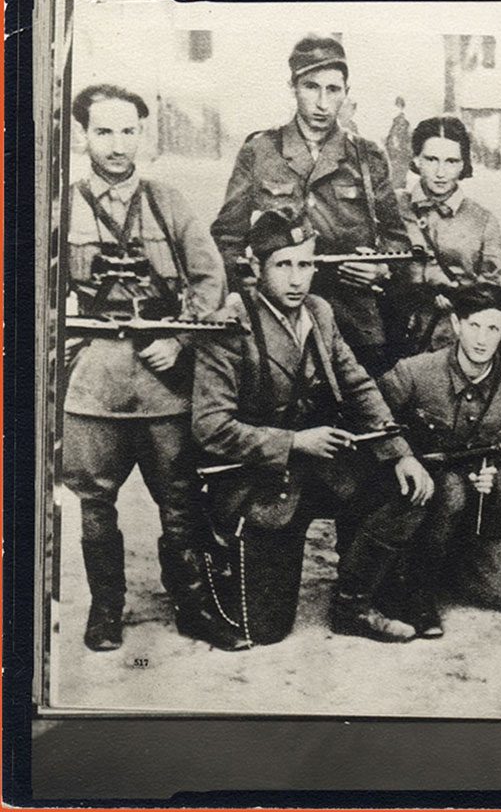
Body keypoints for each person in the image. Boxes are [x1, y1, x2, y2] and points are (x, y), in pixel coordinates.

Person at [192, 209, 435, 646]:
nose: (297, 279)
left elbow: (358, 385)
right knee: (266, 631)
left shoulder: (319, 312)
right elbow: (210, 426)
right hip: (259, 482)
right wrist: (294, 442)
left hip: (317, 468)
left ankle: (353, 603)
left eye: (306, 265)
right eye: (283, 265)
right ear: (253, 266)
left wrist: (401, 453)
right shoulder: (228, 324)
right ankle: (217, 562)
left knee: (404, 489)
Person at [62, 84, 242, 651]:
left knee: (180, 497)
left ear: (143, 134)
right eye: (104, 131)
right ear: (84, 134)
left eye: (128, 130)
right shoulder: (59, 206)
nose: (117, 144)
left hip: (165, 380)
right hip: (94, 383)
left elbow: (210, 277)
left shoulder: (169, 201)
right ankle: (105, 609)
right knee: (95, 502)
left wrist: (182, 338)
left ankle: (193, 607)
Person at [210, 35, 410, 377]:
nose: (322, 102)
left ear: (346, 92)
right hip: (277, 322)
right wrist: (248, 295)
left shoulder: (367, 156)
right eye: (311, 87)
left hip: (353, 322)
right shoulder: (260, 151)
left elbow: (398, 240)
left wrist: (381, 269)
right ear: (293, 87)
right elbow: (227, 238)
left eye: (333, 90)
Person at [378, 283, 501, 637]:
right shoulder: (415, 372)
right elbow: (373, 420)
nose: (482, 338)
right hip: (418, 499)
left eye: (493, 328)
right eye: (474, 325)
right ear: (456, 324)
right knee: (449, 488)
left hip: (482, 506)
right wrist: (403, 458)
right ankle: (418, 589)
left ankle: (447, 565)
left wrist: (497, 485)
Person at [396, 116, 501, 353]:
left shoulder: (483, 220)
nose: (440, 172)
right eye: (431, 159)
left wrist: (459, 298)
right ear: (416, 160)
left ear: (463, 164)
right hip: (398, 339)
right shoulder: (395, 208)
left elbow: (494, 289)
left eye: (451, 161)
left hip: (457, 345)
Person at [385, 96, 413, 189]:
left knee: (397, 182)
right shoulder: (398, 121)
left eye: (396, 106)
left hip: (399, 157)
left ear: (400, 107)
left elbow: (397, 140)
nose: (393, 108)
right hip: (399, 157)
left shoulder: (401, 122)